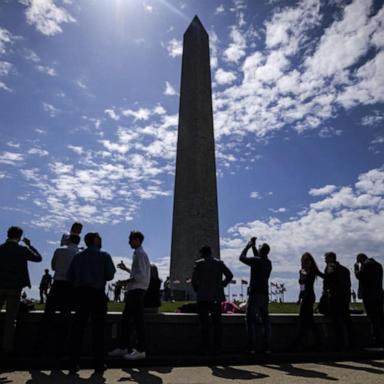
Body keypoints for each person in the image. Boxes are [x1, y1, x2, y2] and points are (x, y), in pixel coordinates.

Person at [67, 232, 116, 373]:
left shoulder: (78, 256)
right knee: (98, 330)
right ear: (95, 240)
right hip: (97, 294)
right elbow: (110, 275)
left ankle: (73, 363)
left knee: (78, 329)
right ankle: (99, 363)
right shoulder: (104, 255)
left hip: (81, 294)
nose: (101, 241)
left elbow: (70, 275)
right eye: (100, 238)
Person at [109, 231, 151, 360]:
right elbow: (137, 273)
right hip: (134, 291)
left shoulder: (140, 254)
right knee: (126, 321)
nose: (129, 242)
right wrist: (126, 269)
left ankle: (141, 350)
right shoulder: (138, 254)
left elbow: (140, 276)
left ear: (137, 240)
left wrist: (124, 282)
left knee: (137, 321)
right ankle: (124, 347)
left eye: (130, 240)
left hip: (137, 291)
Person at [0, 226, 42, 353]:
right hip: (15, 287)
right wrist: (30, 245)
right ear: (19, 236)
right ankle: (7, 349)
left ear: (8, 235)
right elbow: (38, 258)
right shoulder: (22, 250)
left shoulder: (1, 249)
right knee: (11, 320)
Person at [38, 234, 80, 355]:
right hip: (71, 286)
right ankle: (61, 347)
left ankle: (41, 345)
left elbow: (53, 266)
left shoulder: (59, 250)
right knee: (65, 316)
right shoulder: (79, 254)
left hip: (58, 284)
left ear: (69, 240)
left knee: (48, 313)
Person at [192, 245, 233, 354]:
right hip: (216, 297)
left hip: (203, 298)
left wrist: (198, 290)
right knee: (217, 324)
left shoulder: (199, 263)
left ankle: (205, 347)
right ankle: (217, 347)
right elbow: (229, 275)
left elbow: (193, 280)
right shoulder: (219, 263)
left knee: (204, 324)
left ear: (203, 253)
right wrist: (222, 285)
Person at [239, 237, 272, 354]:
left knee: (250, 321)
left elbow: (241, 258)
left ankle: (251, 347)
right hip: (265, 295)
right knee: (265, 321)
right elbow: (258, 257)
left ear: (262, 251)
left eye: (259, 248)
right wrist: (254, 246)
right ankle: (267, 347)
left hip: (255, 295)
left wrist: (247, 246)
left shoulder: (257, 261)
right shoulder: (268, 263)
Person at [293, 252, 324, 349]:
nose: (305, 262)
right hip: (304, 297)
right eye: (304, 260)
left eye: (307, 260)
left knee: (305, 319)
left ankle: (300, 342)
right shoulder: (301, 271)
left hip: (310, 297)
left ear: (311, 261)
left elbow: (325, 277)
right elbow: (302, 286)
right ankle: (317, 341)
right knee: (307, 319)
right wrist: (299, 298)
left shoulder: (313, 270)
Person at [323, 252, 352, 351]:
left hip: (335, 297)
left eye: (326, 258)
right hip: (345, 298)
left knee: (336, 322)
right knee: (347, 321)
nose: (325, 260)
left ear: (331, 258)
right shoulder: (345, 269)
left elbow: (327, 280)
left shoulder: (330, 266)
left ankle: (340, 344)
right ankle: (352, 343)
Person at [354, 253, 384, 347]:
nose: (358, 262)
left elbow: (359, 276)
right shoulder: (378, 265)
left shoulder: (366, 265)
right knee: (380, 317)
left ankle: (377, 340)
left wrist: (356, 268)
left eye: (358, 260)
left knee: (373, 318)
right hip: (379, 294)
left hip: (369, 296)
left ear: (362, 258)